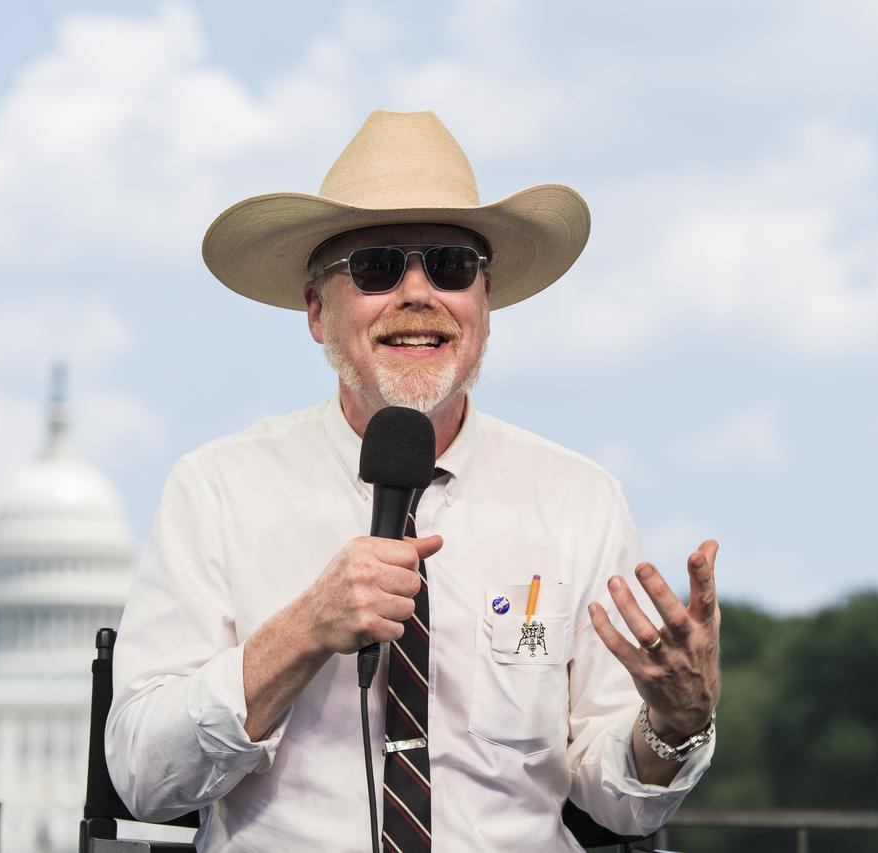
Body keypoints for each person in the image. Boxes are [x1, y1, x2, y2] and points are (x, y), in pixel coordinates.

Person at [106, 110, 721, 852]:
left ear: (484, 306)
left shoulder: (578, 499)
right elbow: (142, 775)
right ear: (315, 310)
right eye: (376, 268)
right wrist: (302, 631)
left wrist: (674, 726)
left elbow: (620, 800)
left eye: (451, 267)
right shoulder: (216, 487)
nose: (418, 292)